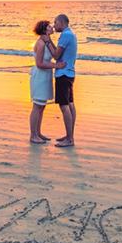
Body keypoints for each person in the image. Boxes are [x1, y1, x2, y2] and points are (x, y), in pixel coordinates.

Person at [28, 20, 65, 143]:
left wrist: (57, 63)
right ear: (44, 30)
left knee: (42, 107)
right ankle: (33, 135)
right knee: (37, 106)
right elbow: (39, 64)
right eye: (49, 26)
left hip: (45, 76)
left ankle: (38, 133)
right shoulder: (41, 43)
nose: (52, 27)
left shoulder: (47, 41)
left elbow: (55, 55)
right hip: (40, 77)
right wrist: (56, 66)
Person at [50, 14, 77, 147]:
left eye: (55, 23)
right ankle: (69, 135)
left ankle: (70, 139)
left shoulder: (65, 36)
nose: (54, 25)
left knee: (64, 106)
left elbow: (56, 55)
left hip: (63, 74)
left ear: (62, 22)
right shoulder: (70, 34)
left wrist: (47, 40)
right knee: (70, 103)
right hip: (70, 73)